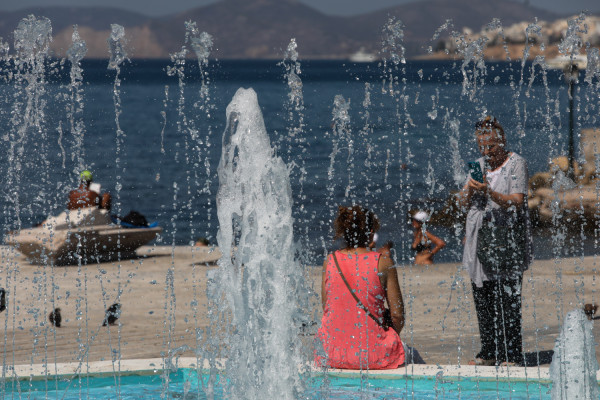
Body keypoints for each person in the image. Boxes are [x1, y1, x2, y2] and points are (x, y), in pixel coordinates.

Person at [458, 116, 532, 366]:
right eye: (482, 147)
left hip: (505, 236)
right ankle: (489, 351)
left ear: (502, 142)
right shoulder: (478, 165)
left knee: (508, 295)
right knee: (483, 295)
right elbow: (461, 202)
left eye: (490, 147)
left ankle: (512, 353)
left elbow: (517, 201)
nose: (486, 152)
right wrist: (470, 189)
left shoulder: (516, 163)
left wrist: (489, 192)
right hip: (479, 236)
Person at [315, 205, 405, 369]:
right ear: (371, 232)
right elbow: (397, 316)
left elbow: (327, 307)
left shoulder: (330, 261)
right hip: (374, 356)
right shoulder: (383, 263)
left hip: (332, 354)